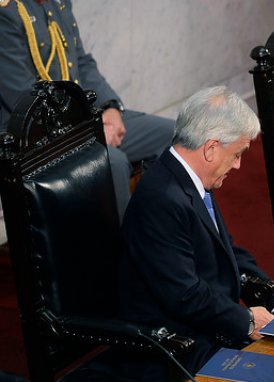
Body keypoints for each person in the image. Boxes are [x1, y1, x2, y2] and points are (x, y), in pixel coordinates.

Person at [117, 86, 274, 382]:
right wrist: (246, 320)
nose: (239, 164)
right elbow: (184, 294)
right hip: (174, 346)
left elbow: (228, 250)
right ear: (211, 148)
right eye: (237, 153)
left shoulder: (187, 180)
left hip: (209, 327)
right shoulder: (162, 199)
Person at [0, 0, 173, 220]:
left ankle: (160, 236)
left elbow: (81, 62)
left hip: (80, 118)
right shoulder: (6, 12)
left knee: (173, 136)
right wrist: (91, 131)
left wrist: (109, 108)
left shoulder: (58, 2)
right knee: (114, 164)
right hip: (37, 138)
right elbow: (22, 96)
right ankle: (119, 252)